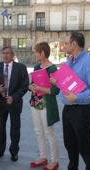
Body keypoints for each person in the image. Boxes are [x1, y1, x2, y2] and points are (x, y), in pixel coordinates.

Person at [58, 32, 90, 170]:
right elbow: (68, 84)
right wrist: (57, 82)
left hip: (83, 110)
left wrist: (78, 97)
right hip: (68, 109)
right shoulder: (68, 61)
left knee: (86, 146)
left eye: (66, 43)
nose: (63, 45)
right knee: (69, 144)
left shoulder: (89, 61)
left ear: (74, 44)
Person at [0, 46, 29, 162]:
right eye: (3, 53)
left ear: (12, 55)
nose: (5, 55)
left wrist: (14, 97)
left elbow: (25, 86)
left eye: (8, 53)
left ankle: (14, 152)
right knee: (1, 127)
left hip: (14, 102)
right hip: (0, 103)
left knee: (15, 128)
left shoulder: (21, 67)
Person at [29, 42, 60, 170]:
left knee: (49, 132)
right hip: (35, 102)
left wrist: (40, 88)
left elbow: (55, 90)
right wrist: (31, 87)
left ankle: (55, 161)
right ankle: (43, 157)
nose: (35, 54)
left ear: (42, 53)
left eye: (36, 52)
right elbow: (31, 84)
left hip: (47, 104)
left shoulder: (53, 69)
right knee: (38, 131)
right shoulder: (36, 67)